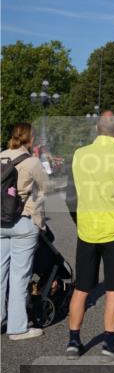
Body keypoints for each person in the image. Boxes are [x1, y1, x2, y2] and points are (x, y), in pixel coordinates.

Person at [65, 112, 114, 360]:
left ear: (96, 129)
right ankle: (109, 344)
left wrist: (80, 220)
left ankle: (73, 342)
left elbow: (71, 197)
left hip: (87, 230)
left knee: (81, 287)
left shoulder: (79, 155)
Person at [1, 123, 49, 340]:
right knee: (20, 277)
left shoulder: (1, 156)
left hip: (0, 221)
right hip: (23, 220)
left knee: (0, 274)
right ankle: (17, 328)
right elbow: (44, 189)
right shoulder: (32, 162)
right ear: (30, 138)